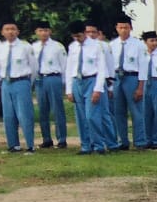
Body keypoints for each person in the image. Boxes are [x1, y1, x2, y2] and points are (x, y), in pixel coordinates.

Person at [66, 22, 116, 154]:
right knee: (81, 116)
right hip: (77, 81)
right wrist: (69, 90)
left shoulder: (96, 46)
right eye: (74, 36)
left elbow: (101, 68)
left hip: (92, 80)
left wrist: (98, 89)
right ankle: (86, 145)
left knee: (92, 116)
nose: (77, 38)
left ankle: (99, 145)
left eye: (79, 35)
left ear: (84, 33)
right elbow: (69, 68)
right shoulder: (72, 47)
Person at [0, 20, 38, 152]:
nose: (10, 32)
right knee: (8, 115)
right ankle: (13, 145)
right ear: (2, 32)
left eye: (13, 29)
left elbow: (34, 67)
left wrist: (28, 83)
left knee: (24, 114)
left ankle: (30, 145)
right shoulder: (0, 48)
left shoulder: (25, 46)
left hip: (21, 81)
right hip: (6, 82)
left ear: (18, 31)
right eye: (7, 29)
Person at [109, 16, 147, 150]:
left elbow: (143, 67)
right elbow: (109, 67)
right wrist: (110, 86)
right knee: (118, 111)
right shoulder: (112, 45)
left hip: (132, 77)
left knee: (136, 111)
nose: (123, 30)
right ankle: (122, 141)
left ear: (130, 28)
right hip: (116, 78)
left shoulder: (139, 45)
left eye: (126, 27)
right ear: (116, 28)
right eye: (121, 28)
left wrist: (140, 87)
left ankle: (140, 141)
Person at [31, 21, 68, 150]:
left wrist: (64, 84)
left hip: (53, 78)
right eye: (41, 30)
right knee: (42, 110)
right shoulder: (33, 47)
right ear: (36, 32)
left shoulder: (57, 46)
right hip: (39, 79)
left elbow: (64, 66)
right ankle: (46, 138)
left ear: (50, 32)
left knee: (57, 109)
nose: (43, 33)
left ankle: (62, 139)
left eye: (46, 30)